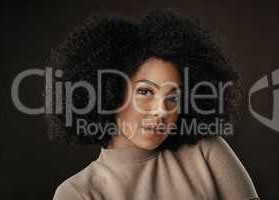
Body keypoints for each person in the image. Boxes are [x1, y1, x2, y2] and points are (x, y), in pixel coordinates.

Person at [47, 10, 259, 200]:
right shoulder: (78, 193)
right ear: (109, 92)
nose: (162, 110)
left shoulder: (206, 151)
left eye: (173, 97)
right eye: (145, 92)